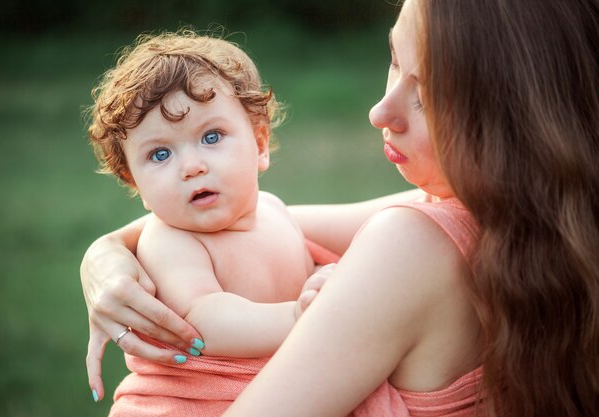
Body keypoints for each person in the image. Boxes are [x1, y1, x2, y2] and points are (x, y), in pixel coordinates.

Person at [81, 0, 599, 416]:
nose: (380, 111)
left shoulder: (413, 246)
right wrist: (106, 253)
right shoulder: (540, 212)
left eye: (430, 93)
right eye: (395, 60)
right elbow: (230, 241)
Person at [84, 30, 341, 415]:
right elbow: (207, 320)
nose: (192, 166)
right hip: (197, 403)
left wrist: (326, 279)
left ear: (259, 145)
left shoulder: (275, 211)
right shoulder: (169, 240)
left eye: (211, 136)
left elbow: (306, 271)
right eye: (159, 154)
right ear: (134, 183)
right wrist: (301, 316)